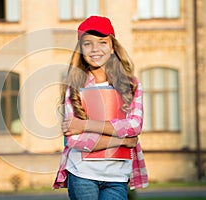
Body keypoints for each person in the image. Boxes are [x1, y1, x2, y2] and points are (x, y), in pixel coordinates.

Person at [53, 16, 148, 200]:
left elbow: (134, 127)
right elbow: (74, 140)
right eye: (87, 43)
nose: (95, 49)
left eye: (102, 42)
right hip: (82, 174)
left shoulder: (131, 85)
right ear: (81, 50)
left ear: (112, 47)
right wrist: (123, 141)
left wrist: (85, 125)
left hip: (117, 176)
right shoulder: (75, 85)